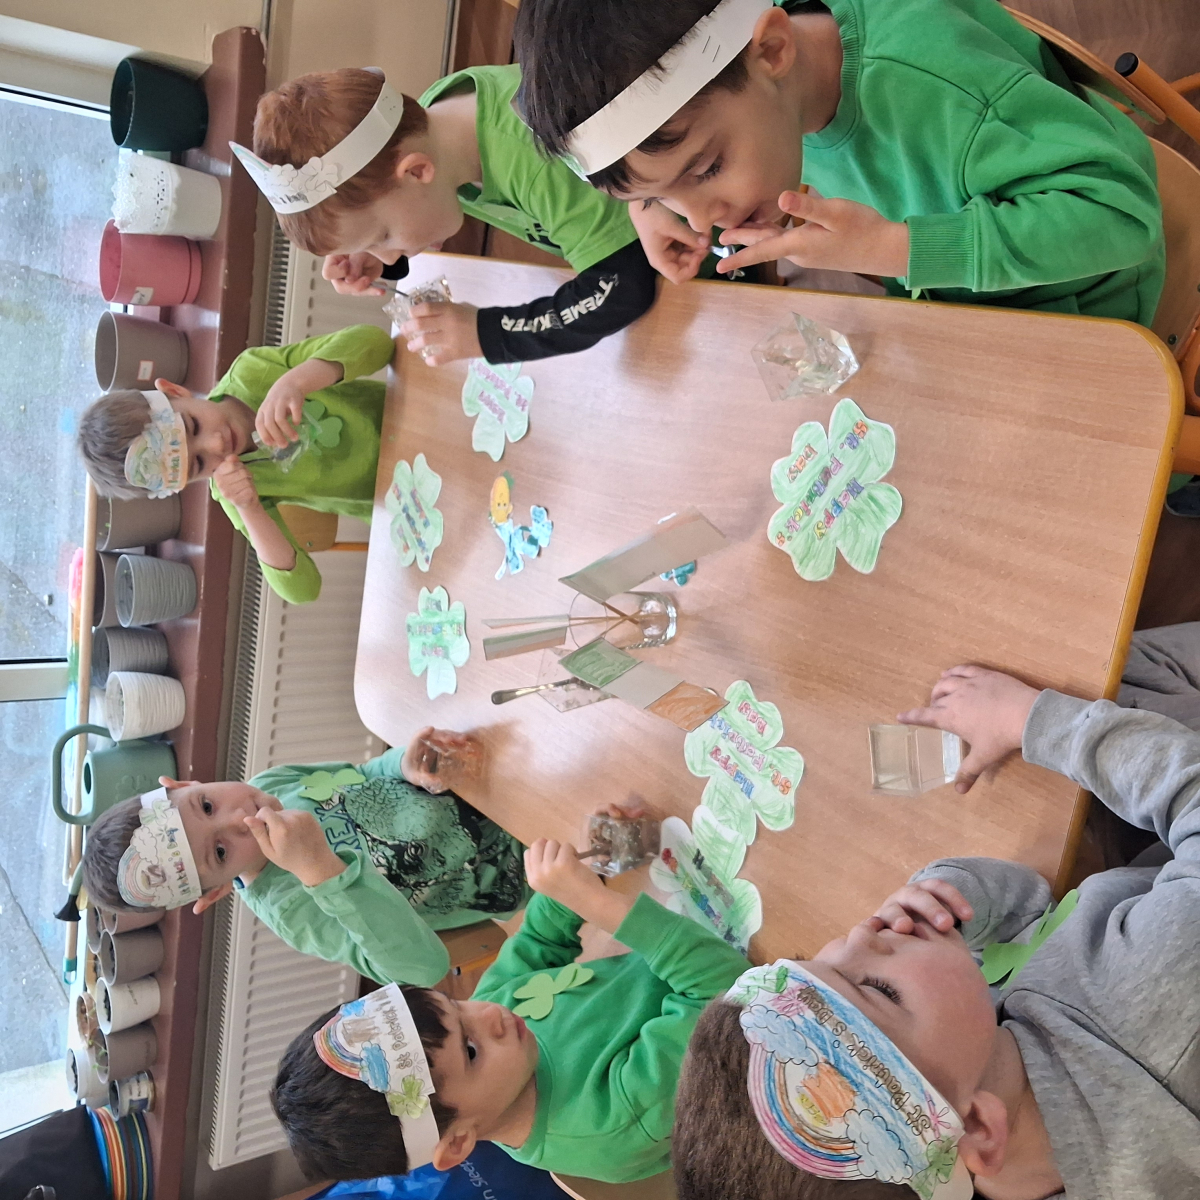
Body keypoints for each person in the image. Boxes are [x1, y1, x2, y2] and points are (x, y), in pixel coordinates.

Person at [672, 663, 1200, 1198]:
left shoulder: (973, 1109)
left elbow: (1032, 914)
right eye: (877, 989)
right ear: (977, 1127)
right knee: (1111, 665)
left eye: (817, 960)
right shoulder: (1148, 998)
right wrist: (1030, 720)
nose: (858, 936)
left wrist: (950, 900)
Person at [512, 0, 1165, 322]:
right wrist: (650, 201)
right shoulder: (763, 76)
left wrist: (895, 248)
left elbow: (1123, 217)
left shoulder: (935, 97)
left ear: (772, 51)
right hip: (963, 291)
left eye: (707, 169)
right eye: (664, 195)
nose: (703, 220)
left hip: (1092, 290)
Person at [271, 831, 751, 1183]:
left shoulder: (490, 1025)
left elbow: (540, 939)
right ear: (459, 1141)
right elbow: (729, 993)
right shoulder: (610, 1121)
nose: (488, 1015)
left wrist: (576, 869)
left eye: (455, 1005)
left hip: (696, 948)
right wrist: (594, 902)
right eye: (471, 1052)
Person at [237, 66, 680, 366]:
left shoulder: (529, 153)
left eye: (383, 236)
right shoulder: (437, 124)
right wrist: (373, 250)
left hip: (698, 243)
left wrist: (487, 333)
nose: (387, 255)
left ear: (416, 171)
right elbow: (411, 204)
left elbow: (621, 287)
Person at [81, 728, 527, 988]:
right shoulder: (294, 912)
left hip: (496, 782)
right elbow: (424, 969)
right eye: (219, 852)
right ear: (216, 891)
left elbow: (365, 775)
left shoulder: (271, 784)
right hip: (528, 865)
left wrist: (403, 767)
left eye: (207, 805)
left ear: (183, 785)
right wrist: (322, 873)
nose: (240, 819)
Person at [77, 323, 393, 604]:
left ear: (175, 391)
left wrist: (296, 382)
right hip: (400, 500)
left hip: (407, 416)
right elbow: (303, 589)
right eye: (199, 464)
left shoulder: (252, 373)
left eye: (193, 426)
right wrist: (249, 508)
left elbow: (377, 342)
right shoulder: (234, 494)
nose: (216, 445)